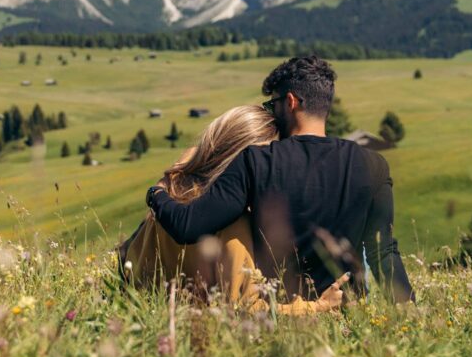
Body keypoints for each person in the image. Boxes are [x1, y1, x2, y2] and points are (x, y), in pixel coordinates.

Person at [146, 54, 414, 303]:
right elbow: (383, 253)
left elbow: (187, 227)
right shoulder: (373, 165)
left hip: (278, 311)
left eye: (271, 104)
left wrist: (157, 193)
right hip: (345, 309)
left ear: (290, 102)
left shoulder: (256, 161)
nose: (270, 114)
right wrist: (408, 315)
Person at [120, 104, 349, 314]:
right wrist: (318, 306)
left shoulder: (172, 193)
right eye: (266, 160)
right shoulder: (232, 222)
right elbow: (243, 307)